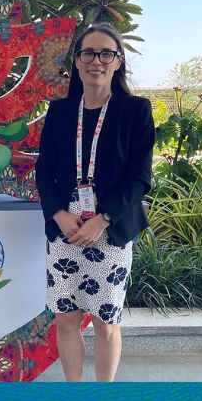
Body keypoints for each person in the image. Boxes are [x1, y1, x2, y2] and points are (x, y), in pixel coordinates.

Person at [35, 23, 154, 382]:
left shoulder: (135, 110)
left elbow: (139, 177)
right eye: (88, 53)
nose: (96, 61)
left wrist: (101, 219)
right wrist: (59, 214)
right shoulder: (59, 111)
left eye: (106, 53)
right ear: (77, 60)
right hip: (65, 231)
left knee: (106, 321)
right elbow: (44, 170)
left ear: (118, 62)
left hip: (111, 230)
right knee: (67, 318)